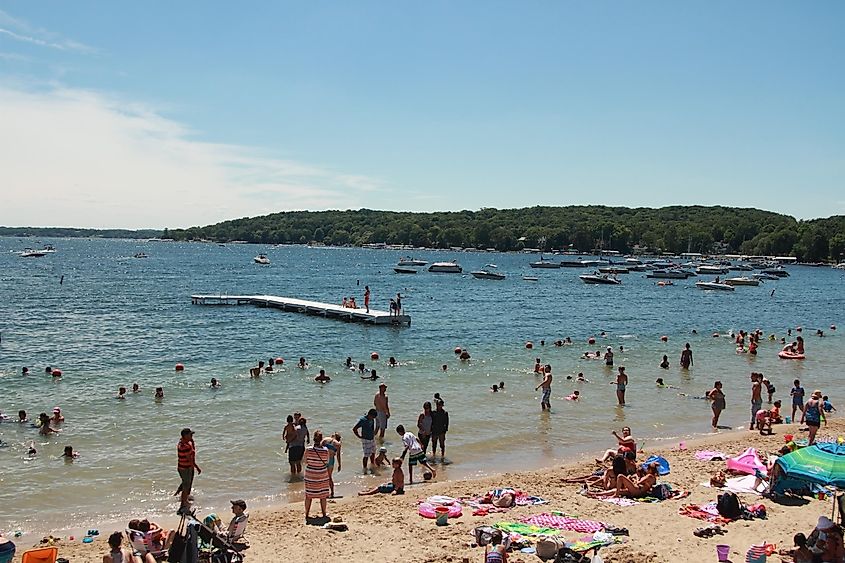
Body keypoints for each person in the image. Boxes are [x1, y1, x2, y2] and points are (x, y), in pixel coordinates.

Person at [304, 430, 331, 521]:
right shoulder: (325, 450)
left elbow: (304, 461)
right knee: (323, 495)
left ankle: (307, 514)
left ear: (313, 439)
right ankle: (324, 513)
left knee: (309, 495)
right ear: (321, 440)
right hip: (322, 474)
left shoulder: (308, 449)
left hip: (310, 474)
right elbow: (327, 462)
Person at [176, 428, 201, 514]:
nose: (191, 436)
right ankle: (183, 505)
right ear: (185, 436)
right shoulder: (184, 446)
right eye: (190, 435)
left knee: (187, 483)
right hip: (185, 468)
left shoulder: (186, 442)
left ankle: (181, 496)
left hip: (187, 467)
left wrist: (192, 441)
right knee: (186, 485)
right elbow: (190, 459)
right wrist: (197, 467)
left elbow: (193, 451)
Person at [322, 433, 342, 498]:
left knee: (323, 476)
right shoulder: (338, 444)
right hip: (331, 460)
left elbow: (319, 448)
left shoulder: (325, 439)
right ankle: (332, 492)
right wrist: (339, 464)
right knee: (329, 477)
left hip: (324, 459)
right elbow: (338, 455)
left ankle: (324, 492)